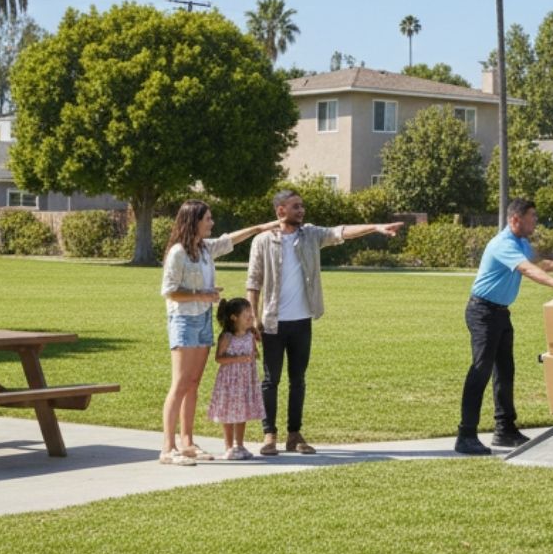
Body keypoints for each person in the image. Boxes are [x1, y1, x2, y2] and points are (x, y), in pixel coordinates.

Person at [246, 188, 403, 456]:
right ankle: (269, 434)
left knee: (298, 380)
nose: (301, 210)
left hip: (302, 320)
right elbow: (253, 281)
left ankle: (294, 435)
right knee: (271, 381)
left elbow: (341, 231)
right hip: (272, 322)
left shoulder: (311, 234)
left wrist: (376, 227)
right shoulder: (262, 241)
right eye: (296, 206)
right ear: (281, 210)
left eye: (302, 206)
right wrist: (253, 319)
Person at [455, 197, 553, 456]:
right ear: (516, 219)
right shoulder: (503, 244)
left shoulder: (521, 242)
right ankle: (465, 435)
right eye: (531, 217)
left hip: (500, 314)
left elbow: (542, 263)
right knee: (480, 371)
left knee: (505, 372)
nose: (535, 221)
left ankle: (505, 430)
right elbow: (527, 269)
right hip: (482, 312)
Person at [159, 200, 279, 466]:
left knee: (193, 383)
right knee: (180, 383)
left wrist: (260, 227)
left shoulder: (204, 249)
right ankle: (168, 448)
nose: (212, 223)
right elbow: (169, 291)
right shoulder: (178, 252)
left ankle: (187, 443)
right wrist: (203, 294)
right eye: (208, 219)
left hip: (203, 319)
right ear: (194, 221)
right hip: (183, 320)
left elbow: (229, 240)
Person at [208, 297, 266, 460]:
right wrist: (238, 359)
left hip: (245, 380)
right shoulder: (227, 337)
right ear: (234, 317)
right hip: (230, 381)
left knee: (242, 412)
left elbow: (254, 351)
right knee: (228, 412)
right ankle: (229, 447)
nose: (251, 316)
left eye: (251, 313)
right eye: (247, 314)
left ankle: (239, 445)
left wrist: (256, 347)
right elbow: (219, 358)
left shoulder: (249, 335)